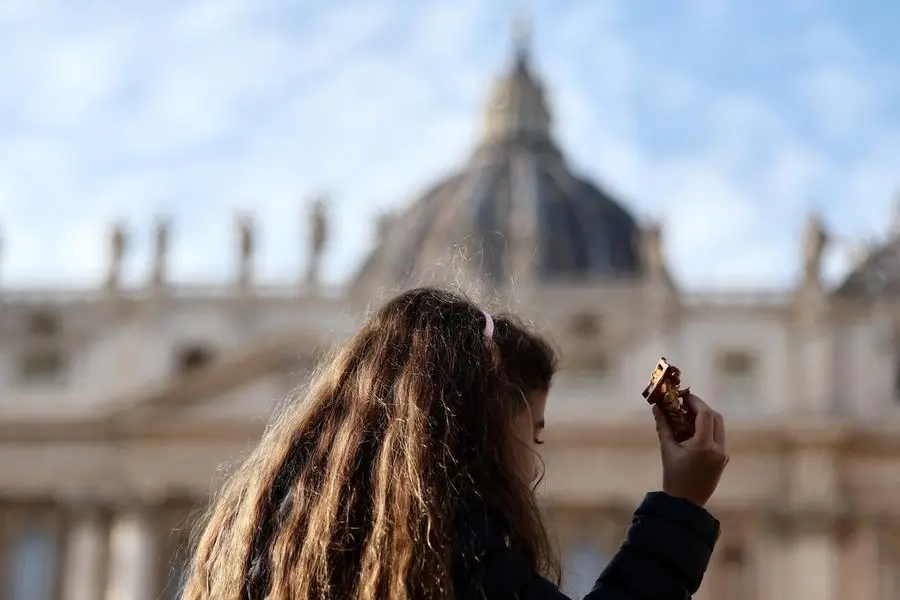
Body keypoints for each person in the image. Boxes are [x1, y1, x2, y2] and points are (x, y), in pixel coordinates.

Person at [181, 287, 728, 600]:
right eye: (534, 430)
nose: (532, 458)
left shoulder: (262, 532)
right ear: (485, 416)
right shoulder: (455, 549)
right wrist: (679, 508)